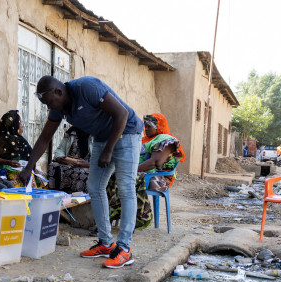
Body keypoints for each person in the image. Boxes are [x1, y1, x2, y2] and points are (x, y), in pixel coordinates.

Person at [19, 75, 143, 269]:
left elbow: (122, 113)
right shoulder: (59, 108)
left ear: (58, 92)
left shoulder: (87, 88)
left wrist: (108, 150)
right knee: (94, 188)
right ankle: (106, 243)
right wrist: (29, 167)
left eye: (49, 103)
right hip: (103, 138)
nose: (48, 108)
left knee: (125, 188)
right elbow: (44, 138)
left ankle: (125, 249)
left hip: (127, 132)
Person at [107, 113, 186, 230]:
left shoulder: (167, 140)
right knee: (109, 177)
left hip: (159, 178)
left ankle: (134, 219)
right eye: (145, 126)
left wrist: (129, 171)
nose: (146, 129)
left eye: (149, 126)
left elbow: (155, 162)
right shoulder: (144, 140)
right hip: (142, 173)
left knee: (124, 178)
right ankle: (111, 217)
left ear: (159, 126)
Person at [0, 110, 45, 188]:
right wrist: (8, 162)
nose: (22, 126)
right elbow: (31, 159)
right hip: (9, 177)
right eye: (20, 123)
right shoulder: (21, 142)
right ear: (14, 125)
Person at [47, 126, 92, 193]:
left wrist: (82, 164)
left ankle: (79, 197)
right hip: (70, 163)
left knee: (82, 173)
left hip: (88, 166)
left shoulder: (95, 134)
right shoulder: (72, 132)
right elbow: (60, 150)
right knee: (53, 166)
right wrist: (61, 158)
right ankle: (56, 193)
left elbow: (100, 160)